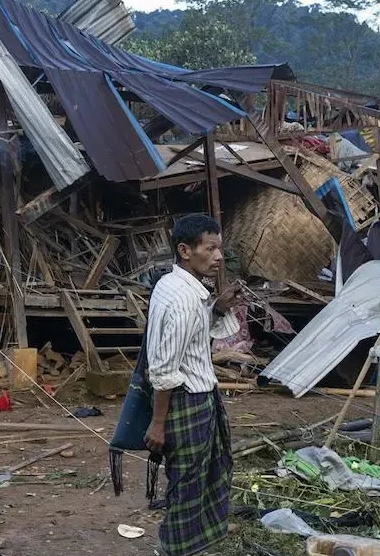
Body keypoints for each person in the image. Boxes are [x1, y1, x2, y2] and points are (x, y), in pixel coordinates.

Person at [144, 213, 240, 556]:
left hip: (198, 396)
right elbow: (164, 369)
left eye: (219, 249)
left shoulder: (175, 286)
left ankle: (193, 545)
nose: (218, 257)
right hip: (187, 401)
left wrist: (218, 309)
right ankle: (174, 549)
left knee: (201, 475)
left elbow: (193, 339)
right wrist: (158, 423)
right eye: (209, 249)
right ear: (185, 250)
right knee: (188, 483)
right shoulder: (184, 300)